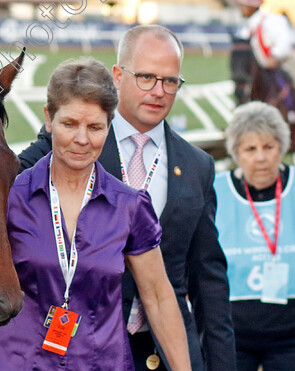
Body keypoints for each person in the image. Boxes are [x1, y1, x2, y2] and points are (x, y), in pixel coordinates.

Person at [18, 25, 235, 371]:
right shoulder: (74, 140)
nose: (159, 91)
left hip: (166, 351)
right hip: (78, 348)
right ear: (118, 75)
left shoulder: (197, 166)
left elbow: (207, 279)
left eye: (170, 81)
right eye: (146, 77)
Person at [0, 57, 189, 369]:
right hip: (20, 361)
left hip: (102, 362)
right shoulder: (10, 194)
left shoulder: (130, 206)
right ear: (48, 118)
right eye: (69, 124)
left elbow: (159, 298)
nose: (82, 139)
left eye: (95, 127)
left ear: (109, 124)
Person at [214, 101, 295, 371]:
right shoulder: (215, 190)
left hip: (290, 335)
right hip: (233, 333)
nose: (261, 157)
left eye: (268, 147)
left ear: (282, 147)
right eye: (250, 149)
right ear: (236, 152)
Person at [236, 0, 295, 151]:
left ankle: (292, 116)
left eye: (243, 5)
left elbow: (284, 44)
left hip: (281, 65)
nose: (241, 9)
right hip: (264, 69)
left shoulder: (271, 21)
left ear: (252, 6)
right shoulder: (250, 26)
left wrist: (274, 57)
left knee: (287, 92)